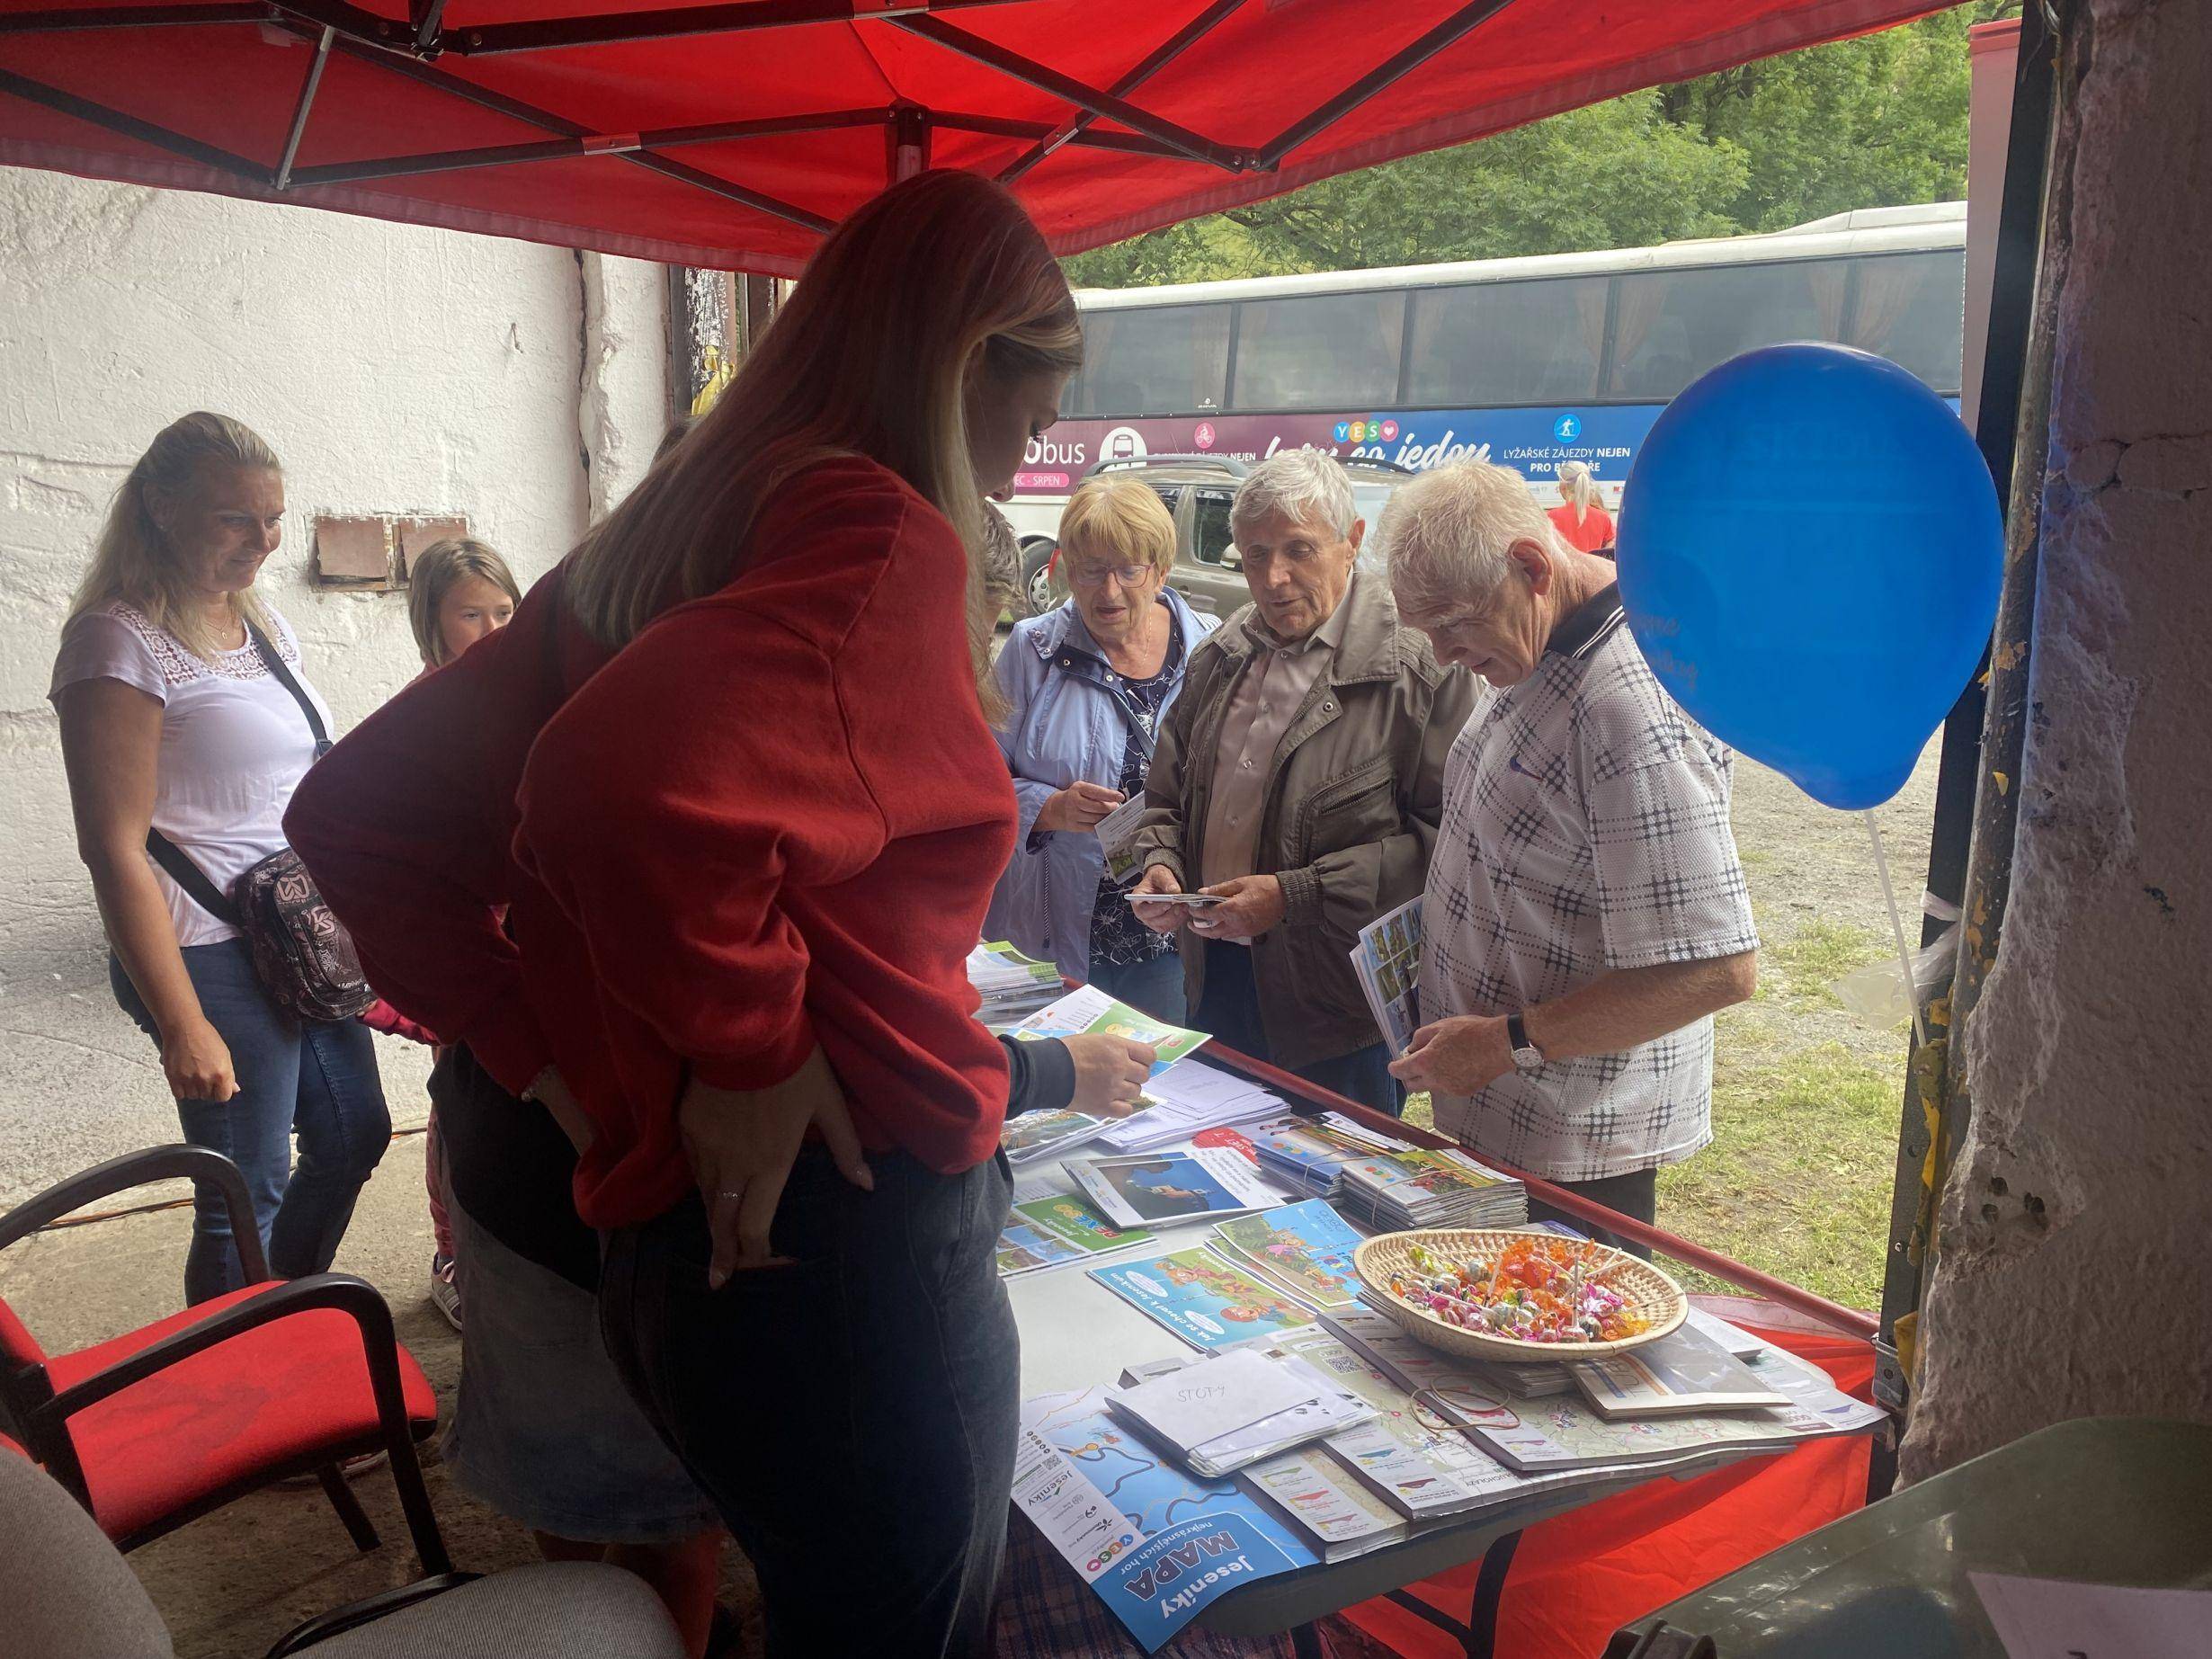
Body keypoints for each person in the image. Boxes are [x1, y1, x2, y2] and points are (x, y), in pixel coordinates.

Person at [287, 170, 1146, 1657]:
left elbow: (358, 815)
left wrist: (568, 1065)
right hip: (853, 1233)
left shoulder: (673, 531)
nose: (1029, 454)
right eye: (1035, 406)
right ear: (962, 363)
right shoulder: (876, 529)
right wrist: (746, 1047)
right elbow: (610, 781)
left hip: (680, 1250)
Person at [50, 412, 391, 1306]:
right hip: (204, 949)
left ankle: (283, 1311)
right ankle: (241, 1369)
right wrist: (182, 1022)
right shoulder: (116, 639)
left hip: (293, 934)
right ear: (160, 508)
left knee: (355, 1134)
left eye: (272, 518)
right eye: (235, 518)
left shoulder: (259, 622)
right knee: (245, 1189)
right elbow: (112, 846)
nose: (263, 540)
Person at [1376, 461, 1760, 1253]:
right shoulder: (1538, 637)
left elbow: (1717, 968)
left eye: (1452, 625)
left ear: (1531, 565)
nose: (1442, 655)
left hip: (1576, 1148)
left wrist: (1504, 1042)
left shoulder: (1630, 703)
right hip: (1511, 1114)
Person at [1127, 449, 1476, 1115]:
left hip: (1338, 1014)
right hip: (1216, 981)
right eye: (1255, 555)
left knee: (1330, 1174)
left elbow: (1450, 850)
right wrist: (1162, 862)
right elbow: (1166, 795)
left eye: (1298, 550)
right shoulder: (1222, 653)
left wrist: (1295, 897)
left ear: (1352, 542)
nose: (1274, 578)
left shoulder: (1420, 668)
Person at [986, 476, 1217, 1019]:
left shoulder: (1209, 649)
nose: (1108, 592)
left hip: (1165, 936)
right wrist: (1049, 808)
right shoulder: (1032, 649)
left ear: (1161, 570)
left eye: (1128, 570)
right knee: (1048, 1064)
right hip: (1048, 931)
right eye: (1091, 570)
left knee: (1158, 1067)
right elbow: (975, 779)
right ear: (1068, 570)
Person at [382, 535, 525, 1329]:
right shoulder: (425, 711)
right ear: (431, 623)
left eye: (505, 610)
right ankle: (450, 1254)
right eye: (472, 615)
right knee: (457, 1097)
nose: (493, 629)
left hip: (522, 933)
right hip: (464, 938)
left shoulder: (520, 697)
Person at [1547, 459, 1616, 556]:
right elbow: (1612, 542)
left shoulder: (1550, 517)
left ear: (1563, 485)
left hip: (1561, 565)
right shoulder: (1603, 518)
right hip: (1593, 565)